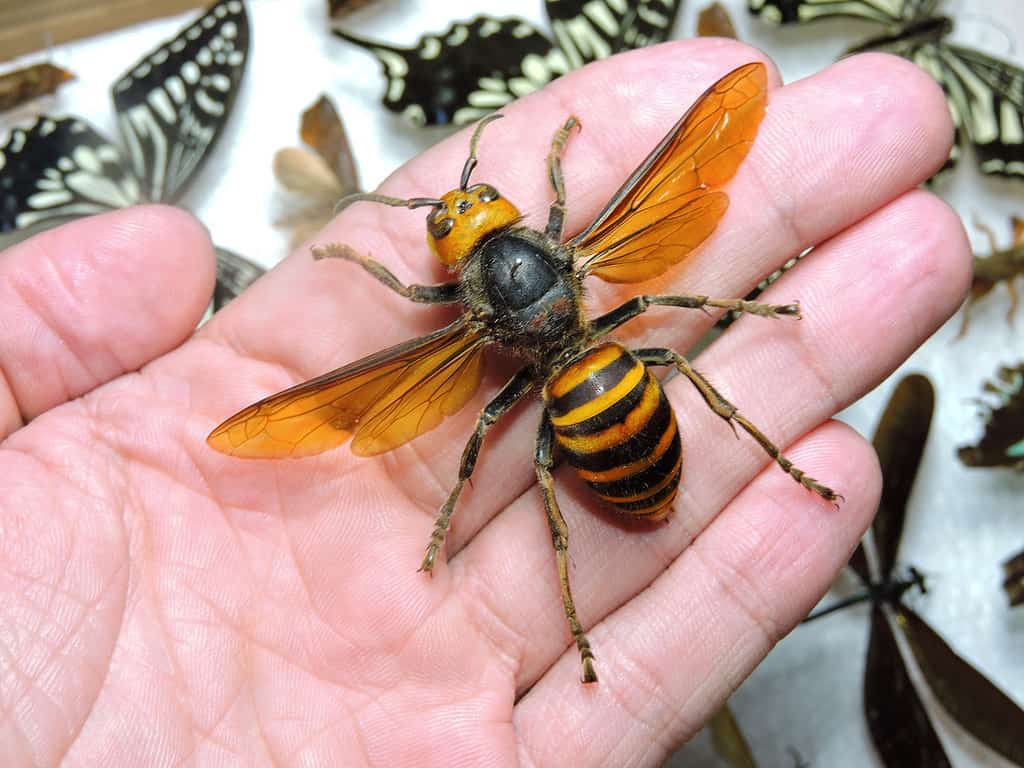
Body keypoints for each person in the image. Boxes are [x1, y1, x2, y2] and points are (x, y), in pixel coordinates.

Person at [0, 42, 969, 766]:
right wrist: (743, 300)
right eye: (459, 217)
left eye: (469, 207)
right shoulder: (568, 248)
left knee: (532, 456)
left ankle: (598, 584)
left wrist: (355, 255)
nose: (463, 213)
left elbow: (433, 382)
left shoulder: (463, 324)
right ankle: (776, 448)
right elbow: (616, 233)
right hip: (612, 384)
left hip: (582, 411)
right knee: (675, 331)